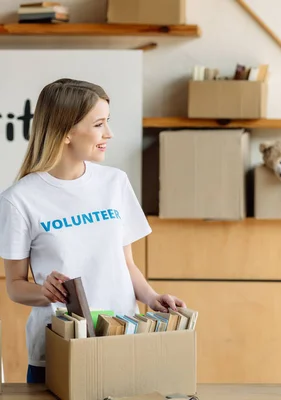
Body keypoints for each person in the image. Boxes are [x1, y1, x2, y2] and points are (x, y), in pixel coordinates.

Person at [0, 78, 186, 384]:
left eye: (107, 122)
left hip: (121, 339)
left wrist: (152, 298)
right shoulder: (18, 199)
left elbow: (125, 264)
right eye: (99, 124)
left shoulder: (115, 183)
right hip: (59, 349)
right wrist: (46, 292)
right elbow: (16, 286)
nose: (109, 134)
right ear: (67, 131)